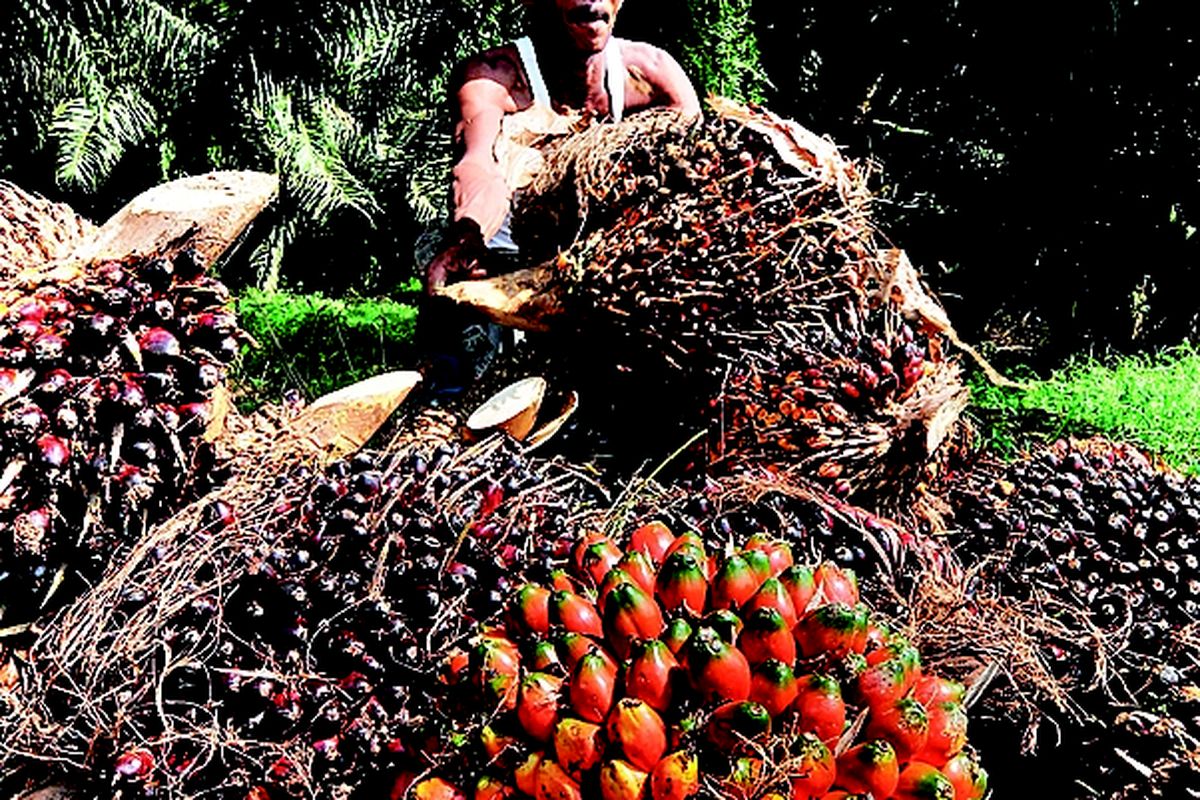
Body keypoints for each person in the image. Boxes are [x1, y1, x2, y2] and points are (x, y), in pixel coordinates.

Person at [418, 0, 700, 394]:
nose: (591, 0)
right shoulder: (495, 77)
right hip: (504, 260)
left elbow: (695, 177)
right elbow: (479, 163)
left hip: (600, 270)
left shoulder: (652, 76)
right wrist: (468, 233)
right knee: (456, 376)